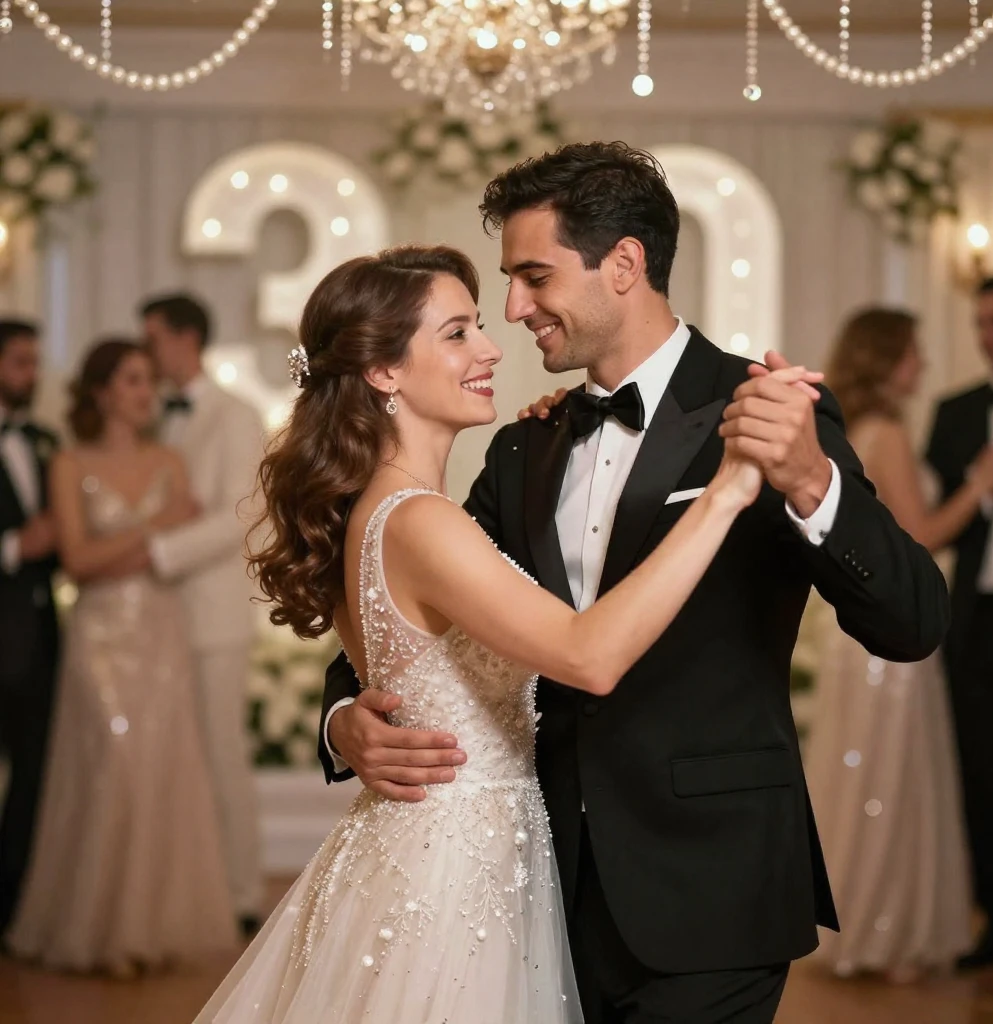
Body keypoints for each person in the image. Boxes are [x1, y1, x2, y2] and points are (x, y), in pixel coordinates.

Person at [319, 142, 951, 1024]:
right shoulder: (525, 445)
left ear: (623, 264)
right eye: (508, 283)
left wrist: (812, 481)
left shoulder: (763, 408)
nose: (515, 308)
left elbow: (913, 622)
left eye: (534, 277)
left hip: (713, 888)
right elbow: (425, 621)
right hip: (534, 896)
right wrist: (343, 719)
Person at [191, 243, 816, 1023]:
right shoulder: (420, 522)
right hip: (451, 877)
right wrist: (728, 490)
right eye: (457, 333)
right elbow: (589, 655)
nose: (491, 348)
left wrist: (345, 717)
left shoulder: (387, 509)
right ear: (383, 372)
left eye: (479, 326)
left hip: (456, 853)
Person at [5, 338, 236, 973]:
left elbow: (173, 557)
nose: (145, 392)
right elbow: (78, 563)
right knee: (112, 767)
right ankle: (98, 930)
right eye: (132, 380)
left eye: (148, 381)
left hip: (162, 632)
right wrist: (156, 526)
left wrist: (135, 547)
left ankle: (145, 930)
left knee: (159, 773)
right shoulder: (69, 462)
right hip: (99, 637)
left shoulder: (170, 459)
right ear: (102, 391)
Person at [804, 308, 993, 982]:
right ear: (887, 358)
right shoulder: (889, 432)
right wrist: (982, 486)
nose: (922, 364)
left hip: (858, 639)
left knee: (862, 778)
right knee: (890, 783)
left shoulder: (847, 426)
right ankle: (883, 931)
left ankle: (858, 924)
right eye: (912, 353)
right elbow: (918, 535)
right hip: (889, 645)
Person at [140, 293, 266, 935]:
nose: (147, 353)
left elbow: (244, 513)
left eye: (154, 339)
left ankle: (241, 893)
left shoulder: (236, 414)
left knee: (220, 754)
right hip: (152, 618)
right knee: (167, 760)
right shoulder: (148, 416)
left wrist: (156, 550)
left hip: (213, 615)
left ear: (186, 338)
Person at [926, 274, 993, 970]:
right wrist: (984, 492)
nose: (988, 336)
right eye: (981, 324)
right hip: (980, 621)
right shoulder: (954, 412)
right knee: (981, 778)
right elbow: (934, 518)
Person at [0, 319, 60, 933]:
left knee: (34, 776)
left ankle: (13, 907)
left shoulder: (44, 441)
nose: (32, 374)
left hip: (39, 636)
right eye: (20, 361)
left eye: (34, 362)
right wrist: (16, 546)